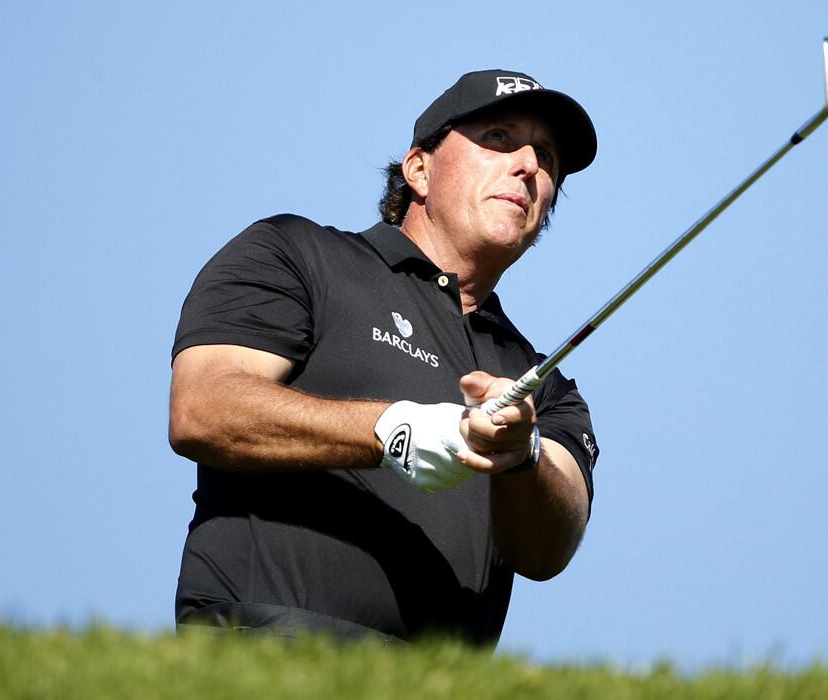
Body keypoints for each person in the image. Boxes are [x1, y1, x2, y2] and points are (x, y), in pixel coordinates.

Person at [167, 69, 601, 645]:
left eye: (546, 157)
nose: (528, 166)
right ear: (418, 168)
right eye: (498, 138)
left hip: (439, 684)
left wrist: (523, 453)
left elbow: (550, 547)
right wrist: (393, 428)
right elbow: (203, 407)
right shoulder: (297, 255)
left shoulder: (542, 384)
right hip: (265, 644)